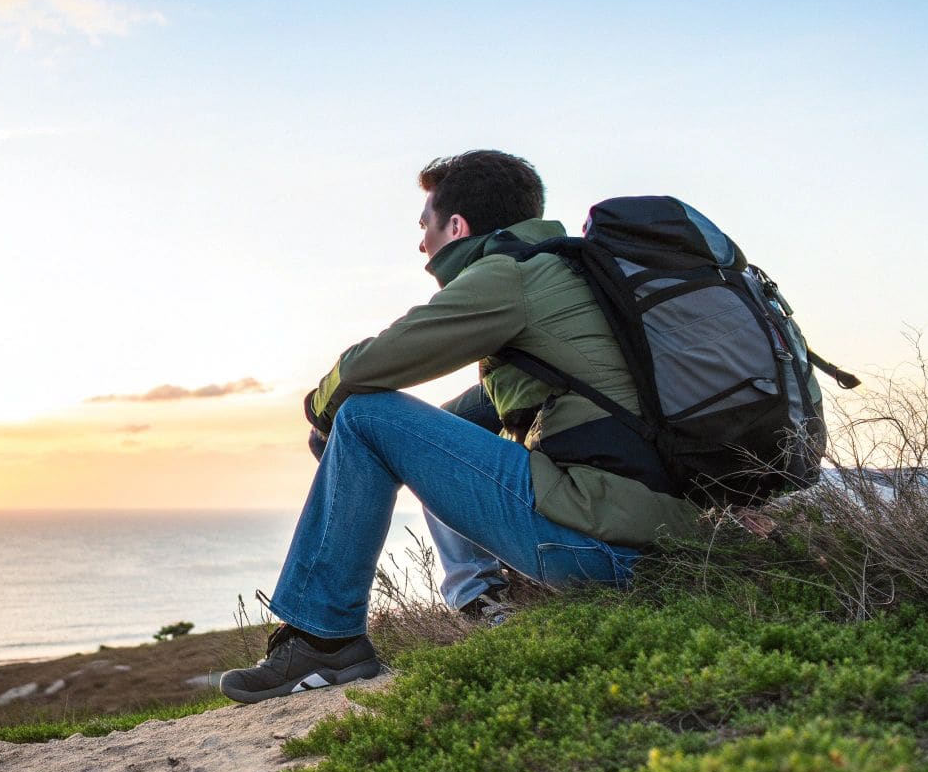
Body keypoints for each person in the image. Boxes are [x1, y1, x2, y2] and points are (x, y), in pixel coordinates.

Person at [220, 150, 702, 704]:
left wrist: (321, 410)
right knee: (385, 426)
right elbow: (455, 427)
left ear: (456, 226)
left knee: (363, 411)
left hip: (606, 549)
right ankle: (483, 605)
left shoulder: (510, 274)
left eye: (424, 226)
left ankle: (325, 642)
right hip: (668, 538)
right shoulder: (575, 274)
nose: (421, 244)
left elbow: (373, 365)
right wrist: (381, 453)